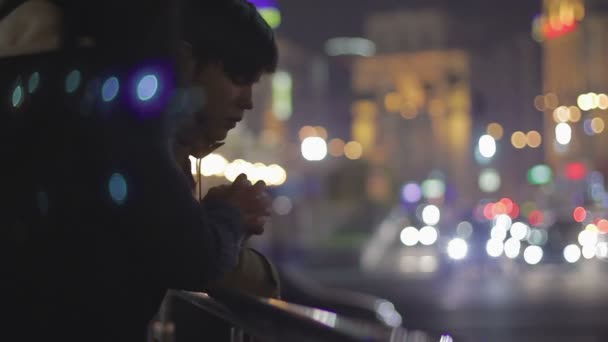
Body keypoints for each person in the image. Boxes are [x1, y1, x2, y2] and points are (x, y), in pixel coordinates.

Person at [0, 1, 270, 341]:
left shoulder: (35, 78)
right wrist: (231, 214)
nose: (247, 101)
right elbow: (190, 256)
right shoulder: (114, 111)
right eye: (239, 77)